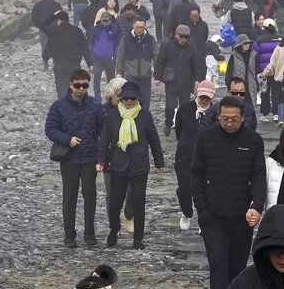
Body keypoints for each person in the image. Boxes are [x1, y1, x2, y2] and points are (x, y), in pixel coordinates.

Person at [191, 95, 266, 289]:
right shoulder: (206, 138)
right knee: (218, 261)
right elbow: (196, 174)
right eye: (224, 119)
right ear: (219, 117)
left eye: (234, 119)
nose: (229, 123)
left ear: (242, 117)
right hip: (212, 214)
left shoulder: (253, 141)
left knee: (237, 264)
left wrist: (256, 206)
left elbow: (259, 176)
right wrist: (201, 208)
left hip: (241, 215)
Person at [98, 82, 165, 249]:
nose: (128, 101)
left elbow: (154, 140)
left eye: (132, 98)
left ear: (137, 99)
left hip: (139, 166)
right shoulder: (113, 116)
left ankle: (138, 237)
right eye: (125, 98)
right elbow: (104, 141)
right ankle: (114, 229)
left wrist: (159, 162)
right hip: (118, 165)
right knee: (114, 202)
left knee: (138, 203)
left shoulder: (145, 116)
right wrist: (101, 161)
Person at [46, 69, 107, 249]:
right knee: (69, 197)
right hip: (69, 159)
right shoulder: (58, 106)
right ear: (70, 85)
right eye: (78, 85)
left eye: (85, 85)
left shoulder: (96, 106)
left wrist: (101, 156)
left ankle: (90, 234)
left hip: (89, 158)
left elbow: (104, 131)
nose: (81, 89)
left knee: (90, 196)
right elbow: (50, 129)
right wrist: (67, 140)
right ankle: (69, 235)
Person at [173, 79, 216, 231]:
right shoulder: (185, 109)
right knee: (184, 188)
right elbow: (179, 130)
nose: (204, 100)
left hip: (207, 159)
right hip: (185, 156)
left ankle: (203, 219)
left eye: (207, 98)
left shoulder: (216, 113)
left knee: (205, 190)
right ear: (197, 94)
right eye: (202, 96)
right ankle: (186, 212)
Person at [153, 24, 205, 134]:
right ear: (176, 35)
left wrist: (197, 79)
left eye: (186, 37)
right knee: (170, 105)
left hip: (186, 81)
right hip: (171, 81)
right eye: (181, 36)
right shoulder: (167, 44)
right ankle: (168, 123)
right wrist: (157, 77)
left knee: (185, 106)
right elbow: (160, 61)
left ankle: (183, 126)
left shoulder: (191, 46)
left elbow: (196, 64)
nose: (184, 39)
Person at [43, 10, 93, 98]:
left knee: (62, 89)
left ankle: (63, 109)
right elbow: (84, 48)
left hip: (60, 65)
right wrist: (90, 63)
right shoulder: (77, 31)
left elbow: (43, 26)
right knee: (75, 89)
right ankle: (75, 108)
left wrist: (53, 15)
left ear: (59, 20)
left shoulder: (54, 31)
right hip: (74, 65)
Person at [115, 18, 156, 111]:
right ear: (133, 26)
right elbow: (120, 56)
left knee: (145, 101)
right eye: (137, 27)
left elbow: (156, 56)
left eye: (142, 27)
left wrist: (157, 74)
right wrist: (119, 72)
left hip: (145, 76)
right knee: (131, 100)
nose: (139, 29)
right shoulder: (126, 39)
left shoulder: (150, 39)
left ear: (145, 27)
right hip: (131, 76)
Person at [87, 13, 121, 100]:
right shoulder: (95, 29)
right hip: (97, 57)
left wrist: (114, 55)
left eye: (106, 21)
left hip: (110, 58)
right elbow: (91, 42)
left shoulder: (115, 29)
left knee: (110, 78)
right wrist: (92, 53)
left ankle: (110, 95)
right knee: (97, 76)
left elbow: (117, 44)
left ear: (110, 20)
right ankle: (97, 95)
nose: (104, 23)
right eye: (103, 21)